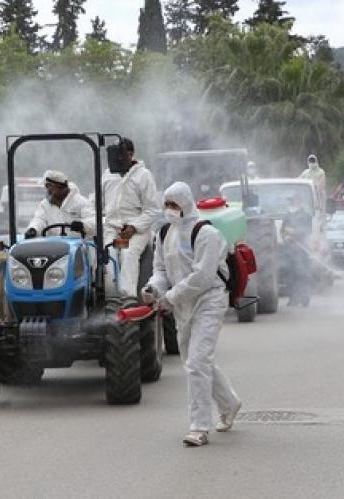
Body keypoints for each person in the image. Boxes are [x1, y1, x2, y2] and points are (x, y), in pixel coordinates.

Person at [142, 182, 242, 447]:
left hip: (209, 300)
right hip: (182, 305)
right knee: (195, 362)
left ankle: (199, 427)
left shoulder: (206, 234)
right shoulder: (164, 233)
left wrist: (169, 298)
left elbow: (202, 278)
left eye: (174, 205)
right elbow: (162, 270)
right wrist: (153, 288)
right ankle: (229, 403)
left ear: (187, 204)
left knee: (197, 361)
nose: (170, 210)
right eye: (167, 205)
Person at [100, 137, 160, 302]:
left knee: (128, 254)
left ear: (131, 154)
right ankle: (110, 298)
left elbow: (152, 209)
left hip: (136, 230)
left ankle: (128, 298)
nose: (117, 159)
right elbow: (97, 204)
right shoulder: (107, 175)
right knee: (108, 256)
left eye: (121, 154)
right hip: (112, 228)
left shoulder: (144, 176)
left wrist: (133, 227)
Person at [25, 170, 95, 239]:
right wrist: (33, 229)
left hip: (78, 247)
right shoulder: (45, 205)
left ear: (59, 186)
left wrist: (83, 225)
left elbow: (93, 221)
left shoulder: (81, 202)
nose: (47, 190)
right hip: (53, 247)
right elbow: (39, 219)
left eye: (49, 186)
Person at [281, 193, 313, 307]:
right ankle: (293, 299)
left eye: (293, 201)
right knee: (291, 275)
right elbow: (282, 230)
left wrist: (294, 233)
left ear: (299, 202)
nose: (291, 203)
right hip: (290, 250)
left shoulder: (306, 216)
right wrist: (286, 237)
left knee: (302, 274)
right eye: (290, 201)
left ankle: (304, 298)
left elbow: (307, 231)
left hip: (302, 250)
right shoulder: (288, 215)